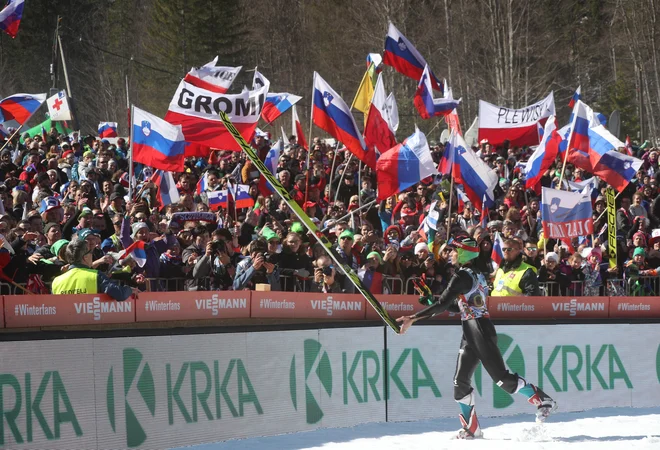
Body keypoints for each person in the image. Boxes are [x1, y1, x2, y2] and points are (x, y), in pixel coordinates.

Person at [395, 237, 557, 439]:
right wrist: (430, 300)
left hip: (478, 330)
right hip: (472, 331)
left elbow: (445, 305)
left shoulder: (462, 275)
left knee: (502, 380)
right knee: (459, 383)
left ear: (463, 253)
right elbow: (457, 306)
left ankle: (543, 400)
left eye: (454, 251)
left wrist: (413, 318)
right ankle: (471, 429)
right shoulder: (474, 273)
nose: (451, 254)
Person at [51, 235, 137, 301]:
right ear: (85, 257)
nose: (92, 255)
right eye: (91, 253)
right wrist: (130, 290)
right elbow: (120, 294)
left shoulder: (56, 281)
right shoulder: (96, 276)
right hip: (91, 320)